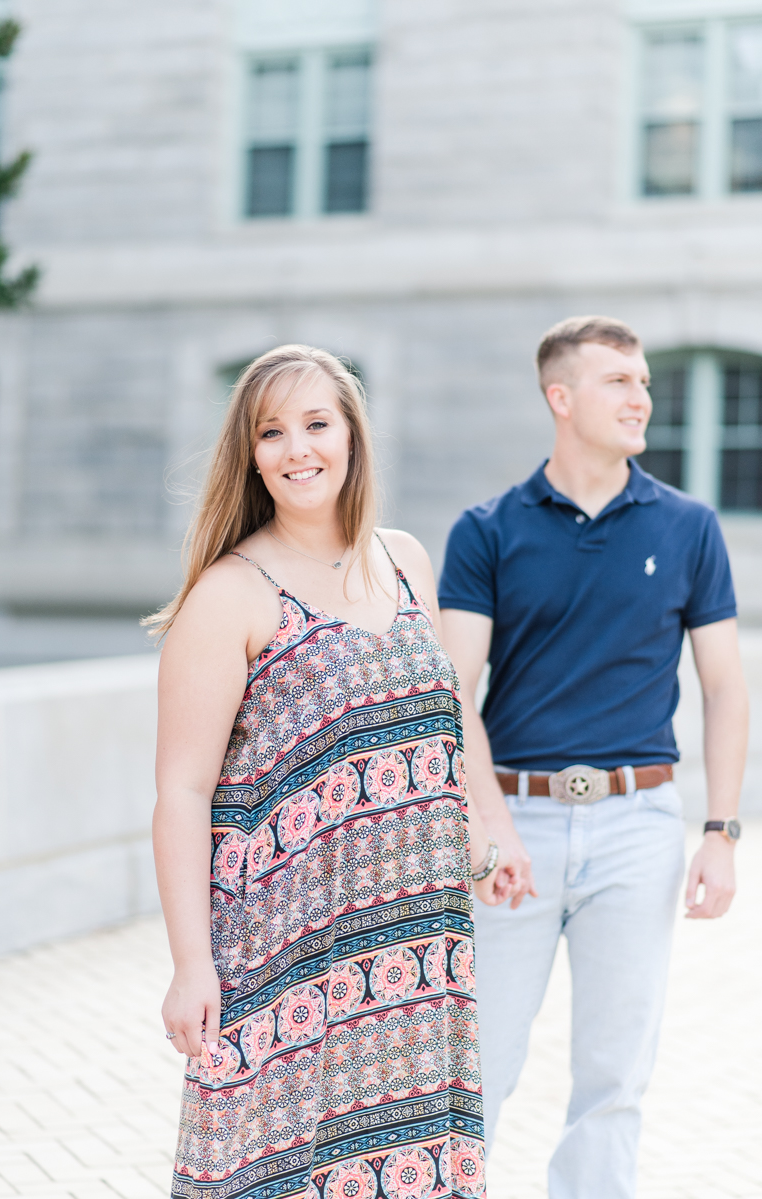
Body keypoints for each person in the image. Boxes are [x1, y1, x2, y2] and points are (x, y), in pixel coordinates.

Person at [149, 344, 498, 1199]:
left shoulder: (407, 559)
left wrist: (480, 831)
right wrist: (191, 964)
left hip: (418, 943)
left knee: (409, 1163)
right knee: (278, 1170)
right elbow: (181, 791)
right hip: (285, 951)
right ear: (251, 453)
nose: (297, 448)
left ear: (352, 435)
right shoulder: (232, 593)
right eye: (273, 432)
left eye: (316, 423)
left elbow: (449, 716)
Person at [438, 316, 748, 1199]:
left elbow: (725, 687)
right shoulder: (487, 529)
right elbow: (455, 689)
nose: (641, 397)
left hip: (638, 825)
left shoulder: (688, 526)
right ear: (560, 397)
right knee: (478, 1066)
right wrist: (489, 828)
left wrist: (720, 832)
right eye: (619, 381)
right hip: (513, 825)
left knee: (615, 1078)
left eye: (644, 381)